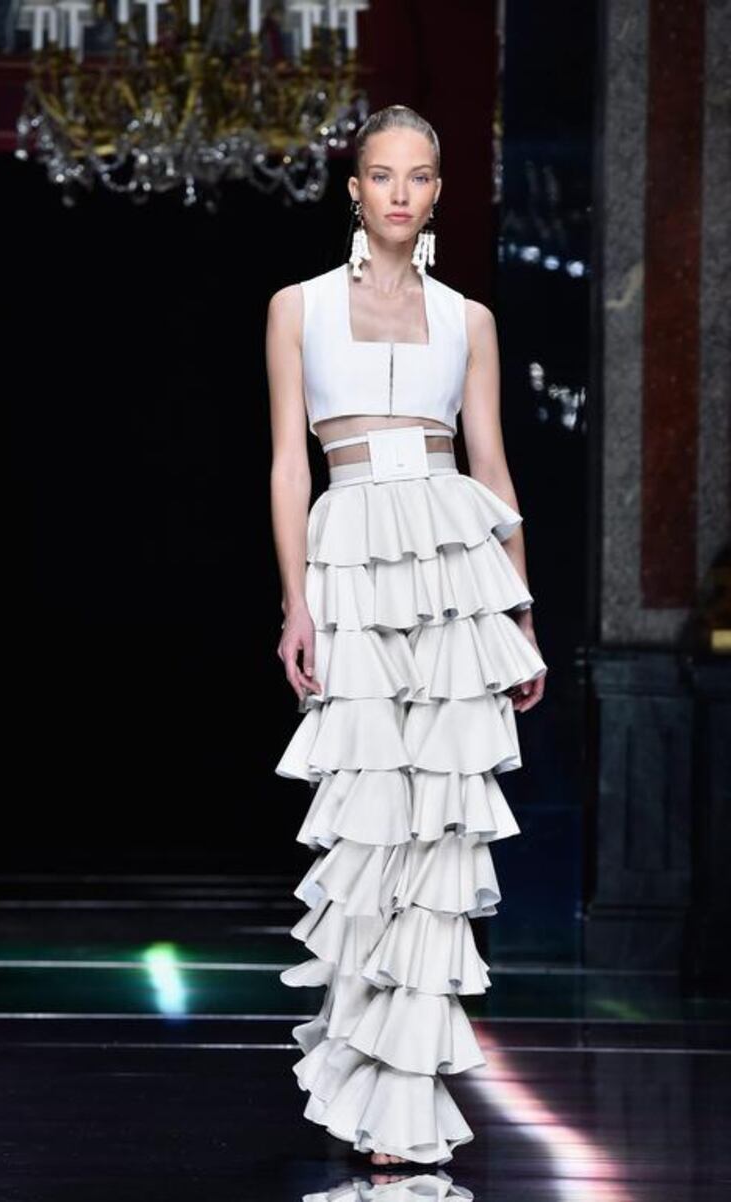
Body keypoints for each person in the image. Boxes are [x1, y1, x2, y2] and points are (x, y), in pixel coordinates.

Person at [266, 104, 547, 1169]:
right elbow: (289, 463)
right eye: (379, 173)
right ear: (353, 186)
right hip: (347, 562)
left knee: (440, 836)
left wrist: (515, 611)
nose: (397, 191)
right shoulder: (295, 309)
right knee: (367, 832)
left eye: (417, 175)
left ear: (435, 191)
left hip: (449, 561)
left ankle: (406, 1112)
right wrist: (295, 601)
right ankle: (358, 1089)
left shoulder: (467, 318)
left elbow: (492, 468)